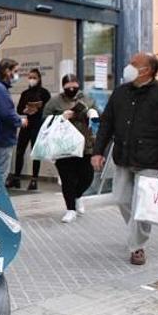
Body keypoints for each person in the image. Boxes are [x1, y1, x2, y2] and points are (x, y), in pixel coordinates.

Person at [92, 52, 158, 265]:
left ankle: (137, 247)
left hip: (151, 159)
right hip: (123, 157)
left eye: (134, 64)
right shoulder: (120, 92)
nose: (128, 67)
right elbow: (106, 124)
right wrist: (97, 151)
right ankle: (136, 232)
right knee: (121, 199)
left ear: (147, 70)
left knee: (143, 206)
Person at [43, 74, 98, 224]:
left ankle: (78, 195)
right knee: (67, 179)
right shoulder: (55, 102)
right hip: (63, 147)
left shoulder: (87, 99)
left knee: (87, 176)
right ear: (63, 87)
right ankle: (70, 209)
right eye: (68, 86)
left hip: (85, 146)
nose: (72, 88)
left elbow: (98, 117)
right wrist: (61, 117)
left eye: (74, 85)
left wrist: (92, 113)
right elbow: (44, 120)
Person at [9, 69, 51, 190]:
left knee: (35, 152)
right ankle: (16, 178)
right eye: (30, 77)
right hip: (27, 124)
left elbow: (48, 110)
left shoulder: (44, 93)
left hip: (38, 125)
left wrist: (39, 109)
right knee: (20, 150)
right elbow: (19, 109)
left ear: (39, 78)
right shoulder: (25, 93)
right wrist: (26, 110)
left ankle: (34, 180)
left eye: (34, 77)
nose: (32, 79)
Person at [0, 59, 27, 184]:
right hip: (2, 139)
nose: (17, 75)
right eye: (15, 71)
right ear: (6, 71)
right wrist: (20, 121)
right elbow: (6, 113)